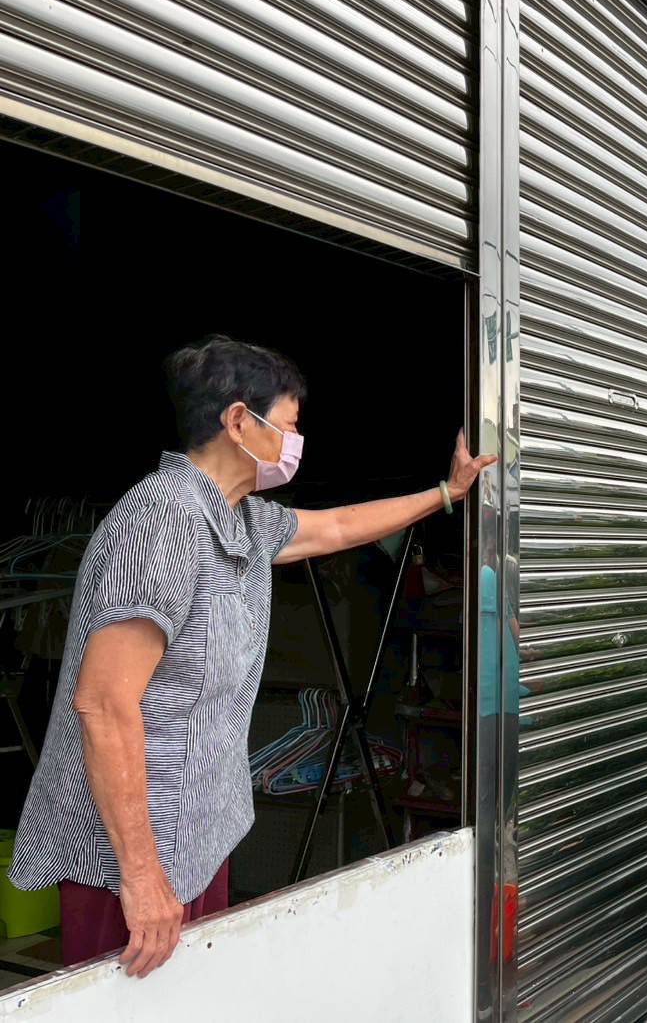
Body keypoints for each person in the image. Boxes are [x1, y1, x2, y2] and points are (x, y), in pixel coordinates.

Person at [10, 336, 495, 978]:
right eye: (289, 426)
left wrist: (447, 493)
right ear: (239, 421)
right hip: (128, 858)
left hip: (196, 839)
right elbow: (103, 706)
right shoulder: (161, 524)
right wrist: (142, 876)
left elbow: (338, 526)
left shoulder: (241, 520)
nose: (296, 442)